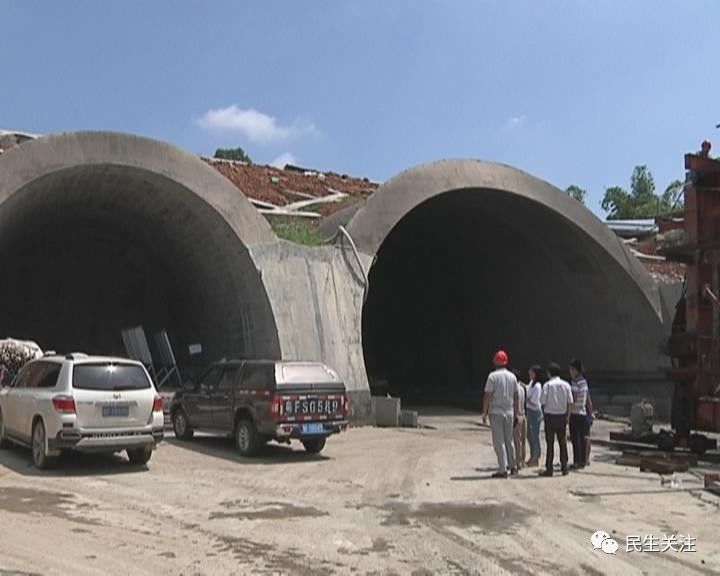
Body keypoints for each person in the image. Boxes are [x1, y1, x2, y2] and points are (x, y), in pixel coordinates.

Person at [482, 350, 520, 478]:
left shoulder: (492, 376)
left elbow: (487, 395)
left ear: (495, 362)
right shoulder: (512, 377)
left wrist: (484, 412)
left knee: (499, 442)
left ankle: (502, 469)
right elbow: (516, 397)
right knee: (509, 440)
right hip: (509, 411)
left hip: (496, 412)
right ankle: (513, 466)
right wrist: (517, 413)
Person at [539, 362, 573, 477]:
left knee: (550, 444)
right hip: (562, 416)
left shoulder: (547, 385)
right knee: (562, 442)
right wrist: (568, 416)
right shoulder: (566, 385)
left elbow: (542, 401)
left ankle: (549, 468)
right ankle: (564, 467)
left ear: (549, 373)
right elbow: (570, 402)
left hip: (550, 416)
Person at [569, 359, 590, 469]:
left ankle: (577, 461)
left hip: (575, 413)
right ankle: (583, 460)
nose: (570, 372)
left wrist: (568, 413)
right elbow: (587, 399)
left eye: (571, 370)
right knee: (582, 438)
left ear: (575, 370)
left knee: (575, 438)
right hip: (583, 413)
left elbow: (574, 397)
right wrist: (590, 412)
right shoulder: (584, 381)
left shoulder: (575, 382)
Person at [525, 365, 544, 467]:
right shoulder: (531, 383)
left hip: (535, 412)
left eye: (531, 372)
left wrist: (526, 399)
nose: (529, 374)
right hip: (529, 411)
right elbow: (527, 389)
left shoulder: (537, 386)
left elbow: (535, 402)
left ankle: (536, 457)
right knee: (529, 435)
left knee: (534, 435)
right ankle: (532, 455)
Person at [512, 370, 527, 470]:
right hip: (523, 414)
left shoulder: (514, 389)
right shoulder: (522, 388)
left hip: (517, 415)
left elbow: (514, 403)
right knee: (523, 441)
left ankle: (517, 463)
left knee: (517, 441)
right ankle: (522, 460)